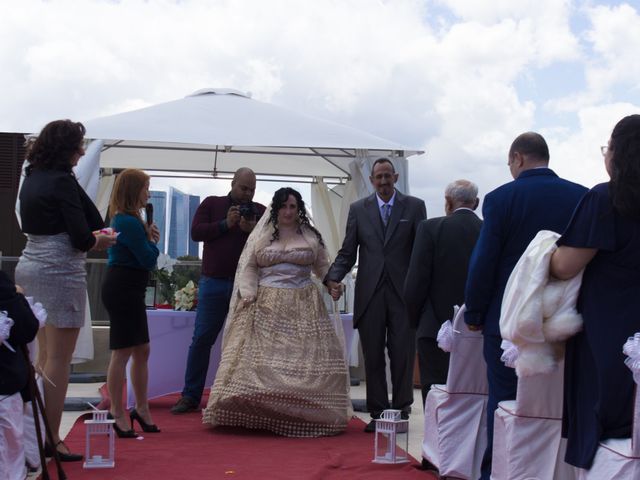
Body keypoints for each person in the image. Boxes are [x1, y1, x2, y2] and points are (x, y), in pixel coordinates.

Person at [464, 132, 587, 479]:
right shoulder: (581, 196)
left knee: (504, 404)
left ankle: (499, 472)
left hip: (510, 322)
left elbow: (484, 260)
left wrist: (474, 311)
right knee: (559, 405)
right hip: (565, 319)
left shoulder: (502, 198)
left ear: (517, 158)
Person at [202, 187, 350, 436]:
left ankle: (299, 411)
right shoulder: (262, 234)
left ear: (299, 208)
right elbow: (248, 267)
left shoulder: (311, 235)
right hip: (265, 301)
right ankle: (258, 410)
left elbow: (323, 267)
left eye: (293, 207)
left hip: (304, 301)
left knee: (303, 360)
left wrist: (333, 284)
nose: (288, 212)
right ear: (276, 208)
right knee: (257, 360)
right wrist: (248, 294)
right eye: (283, 207)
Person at [14, 119, 116, 462]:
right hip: (60, 272)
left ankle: (36, 432)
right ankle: (51, 438)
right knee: (59, 360)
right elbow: (82, 235)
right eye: (78, 146)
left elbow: (85, 216)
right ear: (65, 149)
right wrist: (99, 240)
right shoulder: (60, 181)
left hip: (29, 266)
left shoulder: (33, 177)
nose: (83, 152)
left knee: (41, 358)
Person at [550, 114, 640, 470]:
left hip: (610, 322)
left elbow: (565, 265)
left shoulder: (606, 198)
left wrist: (547, 250)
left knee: (609, 410)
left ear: (619, 153)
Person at [325, 157, 427, 432]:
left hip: (403, 294)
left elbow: (421, 253)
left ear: (395, 177)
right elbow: (348, 251)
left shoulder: (415, 207)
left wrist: (422, 289)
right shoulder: (359, 209)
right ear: (371, 181)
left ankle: (402, 409)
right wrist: (332, 277)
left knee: (403, 352)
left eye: (387, 176)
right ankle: (379, 412)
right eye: (378, 177)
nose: (383, 181)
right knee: (372, 355)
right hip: (370, 293)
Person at [171, 168, 265, 414]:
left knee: (247, 343)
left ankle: (244, 395)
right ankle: (190, 395)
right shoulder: (212, 204)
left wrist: (251, 231)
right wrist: (226, 224)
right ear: (233, 183)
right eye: (244, 188)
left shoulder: (261, 212)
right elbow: (196, 232)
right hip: (214, 282)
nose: (247, 194)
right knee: (202, 339)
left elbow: (271, 242)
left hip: (247, 285)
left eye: (252, 190)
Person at [403, 179, 482, 406]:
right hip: (478, 328)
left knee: (435, 390)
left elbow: (416, 280)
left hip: (434, 326)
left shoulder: (430, 228)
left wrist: (415, 321)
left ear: (447, 202)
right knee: (473, 394)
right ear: (476, 202)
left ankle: (436, 439)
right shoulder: (488, 231)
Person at [102, 169, 161, 437]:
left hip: (129, 288)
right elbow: (148, 258)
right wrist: (151, 241)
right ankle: (117, 410)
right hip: (123, 287)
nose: (147, 193)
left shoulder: (129, 220)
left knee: (141, 349)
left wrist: (148, 240)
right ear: (133, 190)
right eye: (145, 188)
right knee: (122, 351)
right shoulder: (126, 221)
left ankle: (141, 407)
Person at [0, 272, 40, 480]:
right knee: (11, 449)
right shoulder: (6, 290)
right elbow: (27, 328)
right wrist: (18, 297)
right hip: (5, 386)